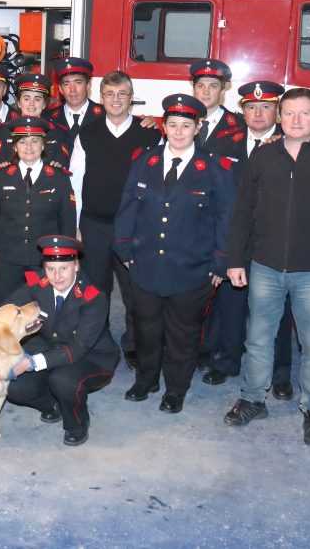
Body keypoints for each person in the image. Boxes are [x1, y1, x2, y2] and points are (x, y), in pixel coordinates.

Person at [224, 86, 310, 447]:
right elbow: (242, 213)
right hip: (265, 266)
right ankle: (253, 398)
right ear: (279, 117)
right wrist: (235, 260)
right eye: (289, 113)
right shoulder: (263, 158)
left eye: (304, 113)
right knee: (257, 339)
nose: (296, 120)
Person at [114, 94, 236, 413]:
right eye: (172, 125)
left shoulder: (214, 168)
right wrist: (124, 248)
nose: (179, 132)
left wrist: (220, 262)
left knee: (183, 334)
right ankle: (146, 379)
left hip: (192, 269)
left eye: (186, 125)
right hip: (145, 265)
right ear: (163, 127)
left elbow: (226, 218)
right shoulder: (145, 160)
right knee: (147, 328)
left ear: (198, 128)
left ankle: (175, 389)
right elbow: (128, 207)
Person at [0, 235, 118, 447]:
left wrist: (32, 362)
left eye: (64, 269)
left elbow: (78, 348)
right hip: (50, 345)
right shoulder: (39, 283)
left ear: (76, 266)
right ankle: (51, 405)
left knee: (62, 380)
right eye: (50, 269)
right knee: (13, 387)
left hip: (92, 357)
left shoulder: (93, 297)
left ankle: (76, 423)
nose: (56, 277)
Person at [201, 81, 295, 392]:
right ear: (242, 111)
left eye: (266, 107)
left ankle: (280, 374)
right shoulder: (224, 145)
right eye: (251, 107)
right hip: (234, 239)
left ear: (277, 112)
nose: (257, 113)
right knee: (231, 305)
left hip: (274, 243)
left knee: (276, 312)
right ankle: (226, 361)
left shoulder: (292, 146)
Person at [69, 70, 162, 368]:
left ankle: (134, 344)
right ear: (101, 98)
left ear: (131, 97)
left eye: (122, 94)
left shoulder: (149, 133)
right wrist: (76, 225)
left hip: (134, 228)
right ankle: (99, 341)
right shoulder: (88, 132)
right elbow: (76, 179)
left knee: (135, 291)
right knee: (97, 290)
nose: (116, 100)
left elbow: (159, 183)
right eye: (109, 94)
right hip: (94, 224)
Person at [0, 117, 77, 300]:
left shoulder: (59, 178)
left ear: (43, 146)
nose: (29, 147)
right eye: (22, 142)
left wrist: (67, 257)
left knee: (43, 310)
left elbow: (67, 222)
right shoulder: (1, 177)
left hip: (44, 260)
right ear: (15, 147)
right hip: (8, 258)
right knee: (7, 309)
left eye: (35, 141)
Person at [0, 72, 71, 170]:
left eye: (37, 99)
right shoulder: (4, 131)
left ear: (44, 104)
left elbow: (63, 168)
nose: (31, 104)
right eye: (26, 99)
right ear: (19, 103)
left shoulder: (58, 133)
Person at [188, 59, 244, 153]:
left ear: (222, 91)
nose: (206, 92)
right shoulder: (181, 122)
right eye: (201, 86)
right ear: (194, 90)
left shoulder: (240, 125)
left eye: (213, 86)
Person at [45, 57, 104, 141]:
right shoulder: (48, 119)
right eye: (66, 84)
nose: (72, 89)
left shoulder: (105, 116)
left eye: (78, 82)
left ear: (88, 86)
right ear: (60, 89)